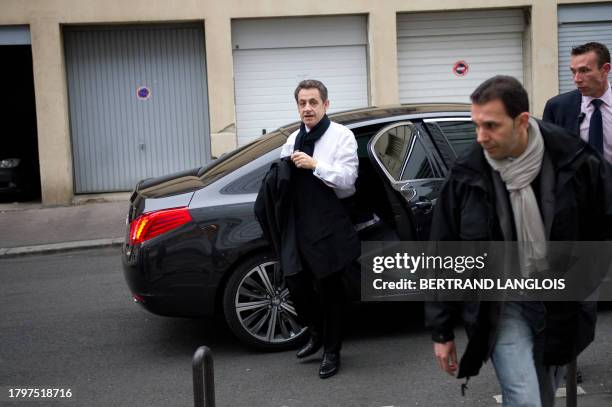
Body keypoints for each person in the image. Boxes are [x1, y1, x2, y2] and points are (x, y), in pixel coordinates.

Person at [426, 75, 612, 406]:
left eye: (492, 126)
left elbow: (599, 234)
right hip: (502, 303)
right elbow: (444, 250)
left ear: (522, 121)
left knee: (542, 394)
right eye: (476, 124)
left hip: (559, 303)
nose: (481, 136)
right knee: (524, 398)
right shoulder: (467, 172)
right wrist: (441, 330)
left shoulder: (574, 161)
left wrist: (579, 287)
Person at [255, 79, 360, 379]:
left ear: (326, 104)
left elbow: (349, 182)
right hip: (297, 224)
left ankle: (332, 350)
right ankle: (314, 332)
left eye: (313, 102)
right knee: (296, 282)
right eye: (302, 103)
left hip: (327, 223)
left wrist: (316, 165)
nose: (307, 108)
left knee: (330, 291)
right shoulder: (292, 139)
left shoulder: (342, 137)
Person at [543, 42, 611, 164]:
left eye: (584, 70)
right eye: (573, 71)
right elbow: (548, 157)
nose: (577, 79)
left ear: (605, 69)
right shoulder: (557, 107)